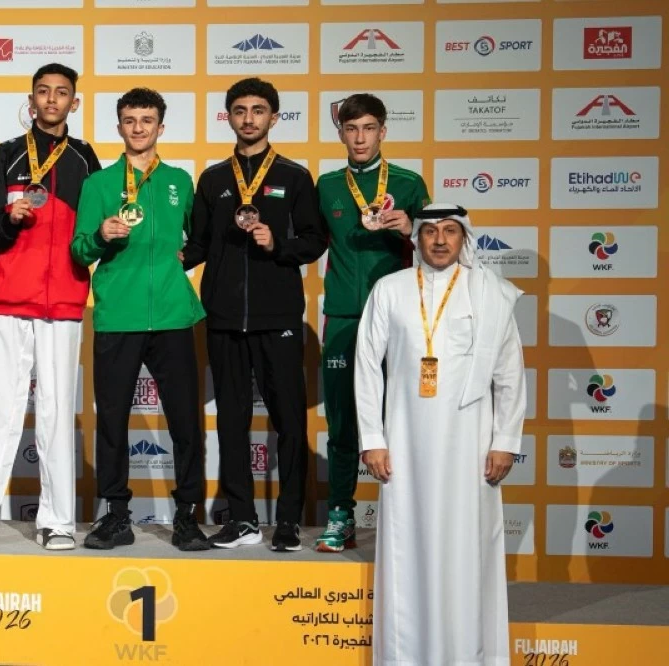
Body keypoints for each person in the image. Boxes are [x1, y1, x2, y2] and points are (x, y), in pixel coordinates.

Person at [355, 203, 525, 666]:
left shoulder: (489, 293)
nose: (440, 240)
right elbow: (367, 366)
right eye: (430, 231)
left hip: (471, 446)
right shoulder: (390, 289)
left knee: (467, 552)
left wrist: (505, 441)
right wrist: (373, 438)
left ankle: (469, 655)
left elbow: (510, 372)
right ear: (417, 238)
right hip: (404, 446)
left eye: (450, 231)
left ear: (464, 238)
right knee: (407, 550)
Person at [0, 63, 101, 552]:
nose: (52, 99)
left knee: (57, 413)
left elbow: (96, 229)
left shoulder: (84, 159)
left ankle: (58, 522)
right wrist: (7, 219)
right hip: (9, 301)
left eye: (62, 92)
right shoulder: (7, 154)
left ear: (74, 102)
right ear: (31, 99)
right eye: (43, 91)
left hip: (64, 302)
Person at [182, 77, 326, 552]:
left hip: (278, 317)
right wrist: (160, 257)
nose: (249, 118)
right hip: (224, 318)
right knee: (231, 420)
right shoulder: (213, 179)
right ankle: (242, 518)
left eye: (258, 110)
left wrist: (278, 244)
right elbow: (198, 245)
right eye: (240, 110)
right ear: (228, 117)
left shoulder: (294, 175)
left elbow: (315, 240)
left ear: (273, 117)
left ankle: (288, 520)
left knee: (289, 421)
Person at [71, 88, 208, 551]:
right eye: (130, 120)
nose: (138, 128)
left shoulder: (179, 181)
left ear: (160, 127)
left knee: (184, 422)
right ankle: (116, 515)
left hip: (172, 316)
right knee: (112, 421)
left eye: (147, 120)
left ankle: (187, 516)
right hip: (118, 316)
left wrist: (184, 260)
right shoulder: (99, 183)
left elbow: (200, 239)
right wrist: (100, 235)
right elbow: (79, 249)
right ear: (119, 127)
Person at [315, 93, 430, 553]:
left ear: (383, 131)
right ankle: (341, 515)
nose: (359, 138)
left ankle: (406, 518)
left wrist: (412, 230)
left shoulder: (408, 183)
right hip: (344, 316)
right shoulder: (326, 185)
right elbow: (307, 241)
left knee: (402, 420)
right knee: (343, 422)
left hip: (397, 319)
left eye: (368, 128)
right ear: (341, 133)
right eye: (351, 129)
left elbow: (443, 248)